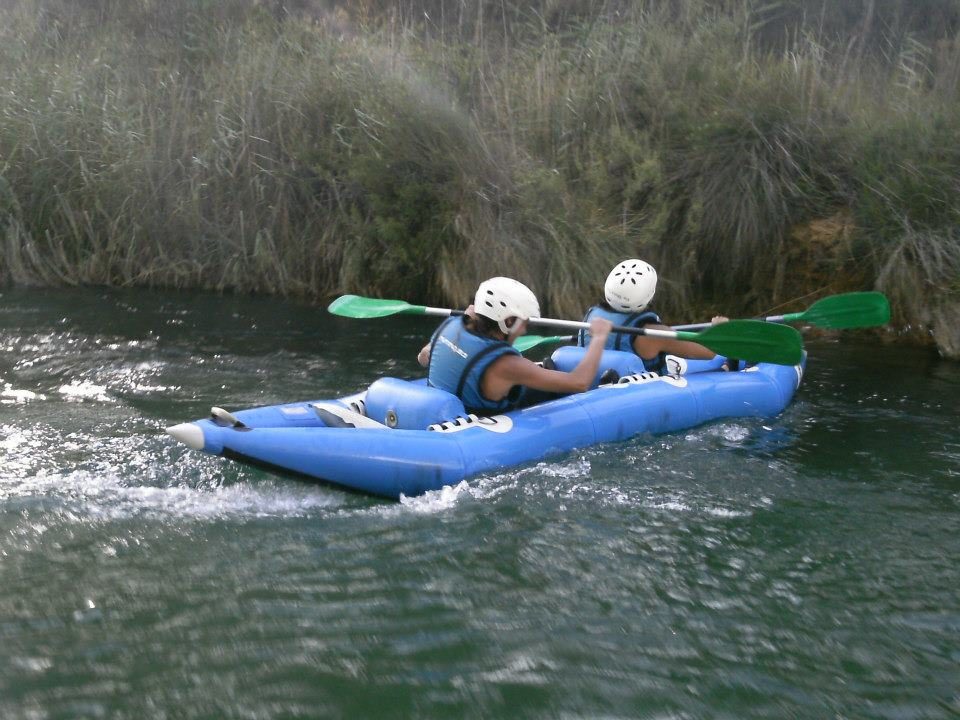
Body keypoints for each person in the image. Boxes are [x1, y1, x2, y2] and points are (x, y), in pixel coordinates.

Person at [417, 277, 614, 414]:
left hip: (448, 408)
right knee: (554, 388)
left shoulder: (451, 326)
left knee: (528, 378)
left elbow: (423, 357)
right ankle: (603, 384)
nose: (525, 330)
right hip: (480, 419)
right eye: (524, 323)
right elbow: (579, 383)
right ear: (508, 322)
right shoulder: (507, 364)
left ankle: (547, 370)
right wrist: (598, 338)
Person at [578, 259, 728, 373]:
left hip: (596, 382)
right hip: (636, 394)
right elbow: (709, 352)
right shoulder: (654, 334)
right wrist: (719, 330)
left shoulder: (591, 316)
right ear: (649, 295)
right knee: (721, 361)